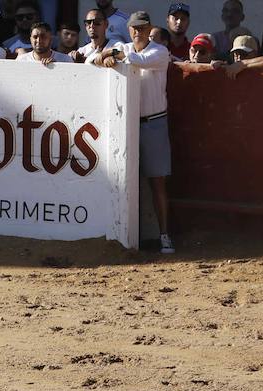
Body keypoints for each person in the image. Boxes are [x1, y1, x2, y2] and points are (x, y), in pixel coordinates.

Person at [95, 11, 173, 255]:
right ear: (129, 29)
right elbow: (92, 61)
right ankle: (117, 234)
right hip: (124, 123)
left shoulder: (159, 51)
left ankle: (163, 235)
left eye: (142, 27)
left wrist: (110, 55)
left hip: (154, 122)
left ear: (149, 28)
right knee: (117, 179)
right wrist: (104, 57)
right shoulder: (123, 46)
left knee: (157, 180)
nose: (138, 31)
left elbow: (137, 59)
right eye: (134, 27)